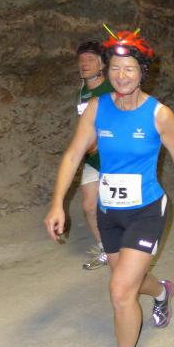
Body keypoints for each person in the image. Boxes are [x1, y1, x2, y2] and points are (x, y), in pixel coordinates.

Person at [44, 27, 174, 347]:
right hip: (110, 212)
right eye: (115, 68)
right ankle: (162, 292)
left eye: (130, 69)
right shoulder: (98, 108)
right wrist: (57, 202)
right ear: (107, 71)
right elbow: (73, 155)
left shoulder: (160, 115)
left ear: (143, 72)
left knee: (120, 290)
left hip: (147, 211)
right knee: (131, 282)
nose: (122, 75)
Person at [74, 40, 115, 270]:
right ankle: (106, 250)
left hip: (113, 159)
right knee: (90, 206)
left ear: (102, 64)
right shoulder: (83, 91)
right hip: (93, 160)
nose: (84, 64)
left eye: (90, 59)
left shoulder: (110, 90)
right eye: (81, 60)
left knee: (118, 206)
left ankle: (128, 250)